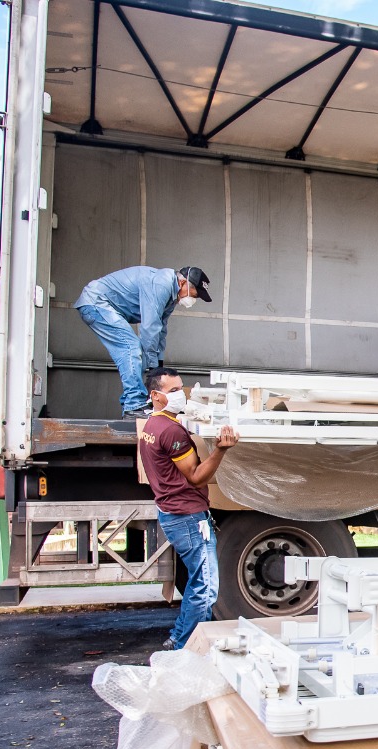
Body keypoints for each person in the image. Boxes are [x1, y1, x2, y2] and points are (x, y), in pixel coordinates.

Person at [139, 367, 238, 650]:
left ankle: (178, 638)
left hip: (175, 513)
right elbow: (196, 476)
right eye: (172, 391)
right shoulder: (170, 430)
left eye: (180, 389)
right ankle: (187, 649)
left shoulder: (154, 425)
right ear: (156, 396)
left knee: (197, 583)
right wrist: (220, 449)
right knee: (206, 589)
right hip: (188, 517)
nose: (180, 396)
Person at [75, 265, 213, 419]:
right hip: (96, 303)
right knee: (131, 347)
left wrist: (158, 367)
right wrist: (152, 367)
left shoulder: (171, 298)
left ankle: (140, 401)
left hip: (104, 305)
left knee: (139, 349)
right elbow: (149, 329)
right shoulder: (162, 284)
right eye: (195, 295)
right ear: (182, 283)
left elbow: (160, 332)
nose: (194, 300)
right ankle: (133, 406)